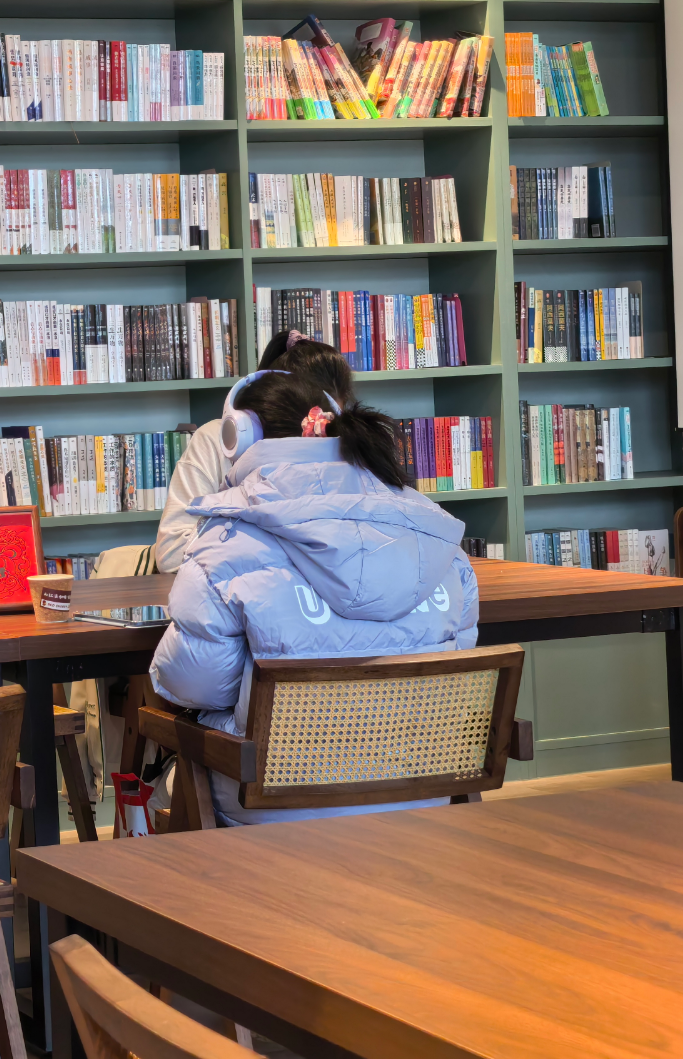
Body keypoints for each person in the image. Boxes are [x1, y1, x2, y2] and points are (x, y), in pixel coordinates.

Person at [150, 369, 480, 826]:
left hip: (275, 807)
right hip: (421, 799)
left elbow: (193, 685)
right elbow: (460, 654)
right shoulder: (435, 530)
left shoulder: (225, 543)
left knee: (165, 776)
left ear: (238, 436)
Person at [153, 330, 357, 573]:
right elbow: (172, 555)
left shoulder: (341, 445)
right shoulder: (215, 440)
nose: (317, 433)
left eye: (327, 426)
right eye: (311, 424)